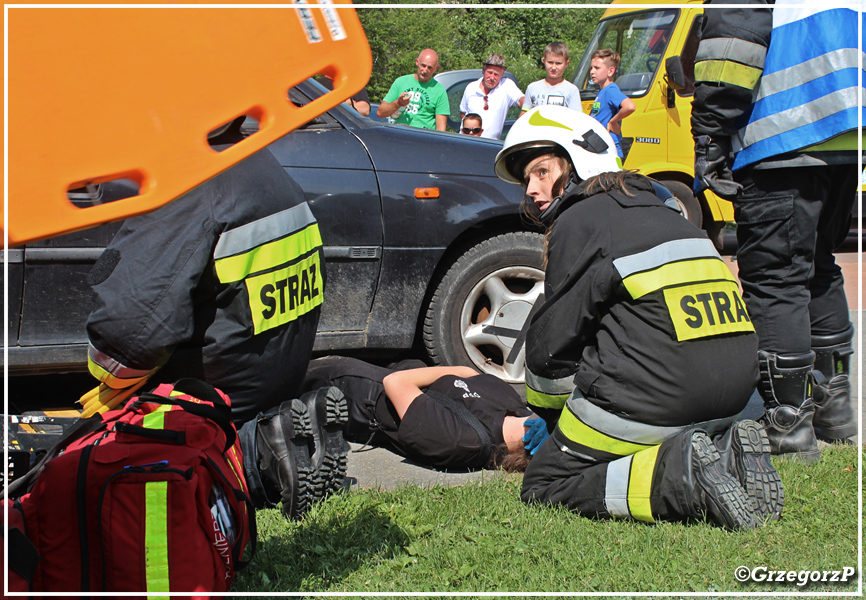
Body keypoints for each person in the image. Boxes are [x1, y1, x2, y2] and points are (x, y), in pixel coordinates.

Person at [494, 105, 782, 530]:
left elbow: (551, 344)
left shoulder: (581, 218)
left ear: (577, 163)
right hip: (739, 395)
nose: (532, 191)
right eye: (526, 181)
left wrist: (552, 419)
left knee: (547, 483)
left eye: (540, 171)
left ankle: (684, 477)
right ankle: (724, 453)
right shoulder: (666, 211)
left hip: (664, 397)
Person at [82, 118, 347, 518]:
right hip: (272, 380)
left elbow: (130, 335)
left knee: (89, 454)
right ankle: (280, 434)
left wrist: (105, 389)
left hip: (214, 401)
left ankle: (255, 455)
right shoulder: (259, 164)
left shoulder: (193, 181)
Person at [690, 1, 862, 462]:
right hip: (846, 130)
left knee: (776, 277)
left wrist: (708, 134)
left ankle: (787, 424)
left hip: (782, 131)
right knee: (819, 265)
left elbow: (732, 43)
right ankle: (834, 413)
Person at [301, 355, 538, 471]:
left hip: (355, 393)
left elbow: (396, 383)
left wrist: (427, 377)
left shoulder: (465, 441)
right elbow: (468, 371)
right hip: (384, 371)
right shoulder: (515, 406)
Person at [377, 48, 449, 131]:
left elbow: (441, 129)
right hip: (399, 136)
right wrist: (398, 103)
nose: (425, 70)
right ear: (416, 62)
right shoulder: (401, 82)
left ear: (436, 68)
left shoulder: (440, 91)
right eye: (423, 65)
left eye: (430, 68)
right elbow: (380, 113)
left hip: (423, 139)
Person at [459, 53, 524, 140]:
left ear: (502, 74)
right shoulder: (471, 87)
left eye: (496, 74)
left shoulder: (506, 85)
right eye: (489, 72)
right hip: (466, 141)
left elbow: (523, 101)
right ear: (483, 71)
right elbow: (463, 113)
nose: (492, 77)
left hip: (490, 145)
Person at [588, 49, 635, 159]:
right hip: (600, 148)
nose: (592, 72)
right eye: (591, 68)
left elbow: (630, 106)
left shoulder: (610, 90)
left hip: (609, 149)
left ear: (610, 71)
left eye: (597, 68)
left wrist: (613, 122)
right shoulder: (603, 91)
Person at [522, 42, 581, 112]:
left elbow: (577, 119)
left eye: (558, 63)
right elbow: (524, 116)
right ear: (544, 61)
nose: (553, 67)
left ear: (566, 63)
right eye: (550, 62)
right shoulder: (532, 88)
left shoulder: (572, 90)